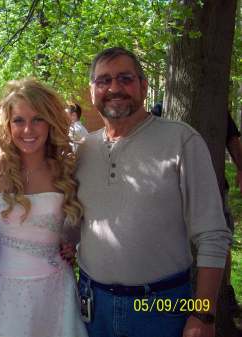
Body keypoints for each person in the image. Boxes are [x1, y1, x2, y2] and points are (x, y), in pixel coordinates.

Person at [75, 47, 232, 337]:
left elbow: (213, 233)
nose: (114, 88)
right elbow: (78, 223)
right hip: (91, 306)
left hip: (160, 306)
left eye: (125, 78)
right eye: (103, 81)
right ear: (92, 90)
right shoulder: (83, 151)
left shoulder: (181, 140)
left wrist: (203, 314)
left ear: (143, 86)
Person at [0, 78, 87, 337]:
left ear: (50, 121)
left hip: (55, 288)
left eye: (37, 119)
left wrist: (72, 244)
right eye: (19, 120)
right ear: (7, 124)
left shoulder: (65, 169)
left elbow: (80, 223)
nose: (28, 130)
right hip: (3, 288)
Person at [223, 111, 242, 316]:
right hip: (174, 190)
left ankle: (225, 291)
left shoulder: (218, 111)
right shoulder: (159, 109)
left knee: (221, 239)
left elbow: (233, 139)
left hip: (216, 187)